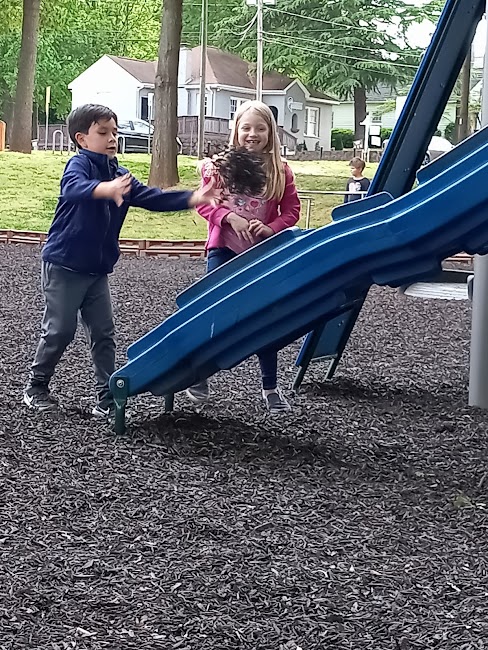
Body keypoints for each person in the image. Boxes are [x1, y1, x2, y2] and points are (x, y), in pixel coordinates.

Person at [23, 103, 220, 418]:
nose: (112, 138)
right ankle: (36, 387)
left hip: (97, 270)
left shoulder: (121, 175)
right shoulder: (78, 165)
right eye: (103, 132)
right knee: (60, 330)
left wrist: (193, 198)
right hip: (64, 266)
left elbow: (153, 197)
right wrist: (104, 189)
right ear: (82, 139)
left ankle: (105, 398)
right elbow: (73, 189)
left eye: (114, 132)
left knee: (104, 333)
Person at [186, 100, 301, 415]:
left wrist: (271, 227)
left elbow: (292, 209)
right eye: (246, 127)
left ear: (270, 133)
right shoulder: (220, 167)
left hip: (260, 253)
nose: (253, 134)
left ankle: (270, 387)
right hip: (223, 248)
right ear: (235, 130)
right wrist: (228, 218)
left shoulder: (279, 170)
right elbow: (203, 203)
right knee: (211, 310)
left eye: (260, 128)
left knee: (264, 318)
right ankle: (198, 373)